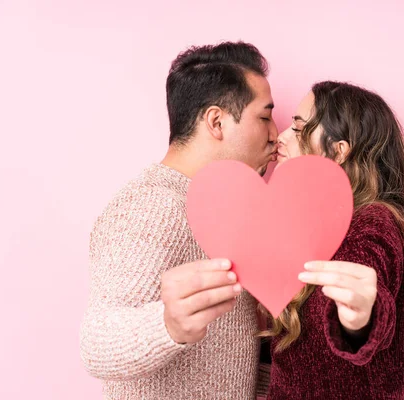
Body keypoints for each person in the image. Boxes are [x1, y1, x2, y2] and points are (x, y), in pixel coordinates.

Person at [80, 41, 279, 399]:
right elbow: (98, 342)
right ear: (216, 121)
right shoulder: (154, 205)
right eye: (264, 117)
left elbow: (228, 360)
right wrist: (168, 325)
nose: (274, 133)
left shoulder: (225, 211)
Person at [259, 81, 404, 399]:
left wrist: (360, 320)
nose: (281, 137)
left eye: (297, 128)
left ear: (338, 151)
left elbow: (370, 301)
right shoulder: (326, 225)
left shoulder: (372, 225)